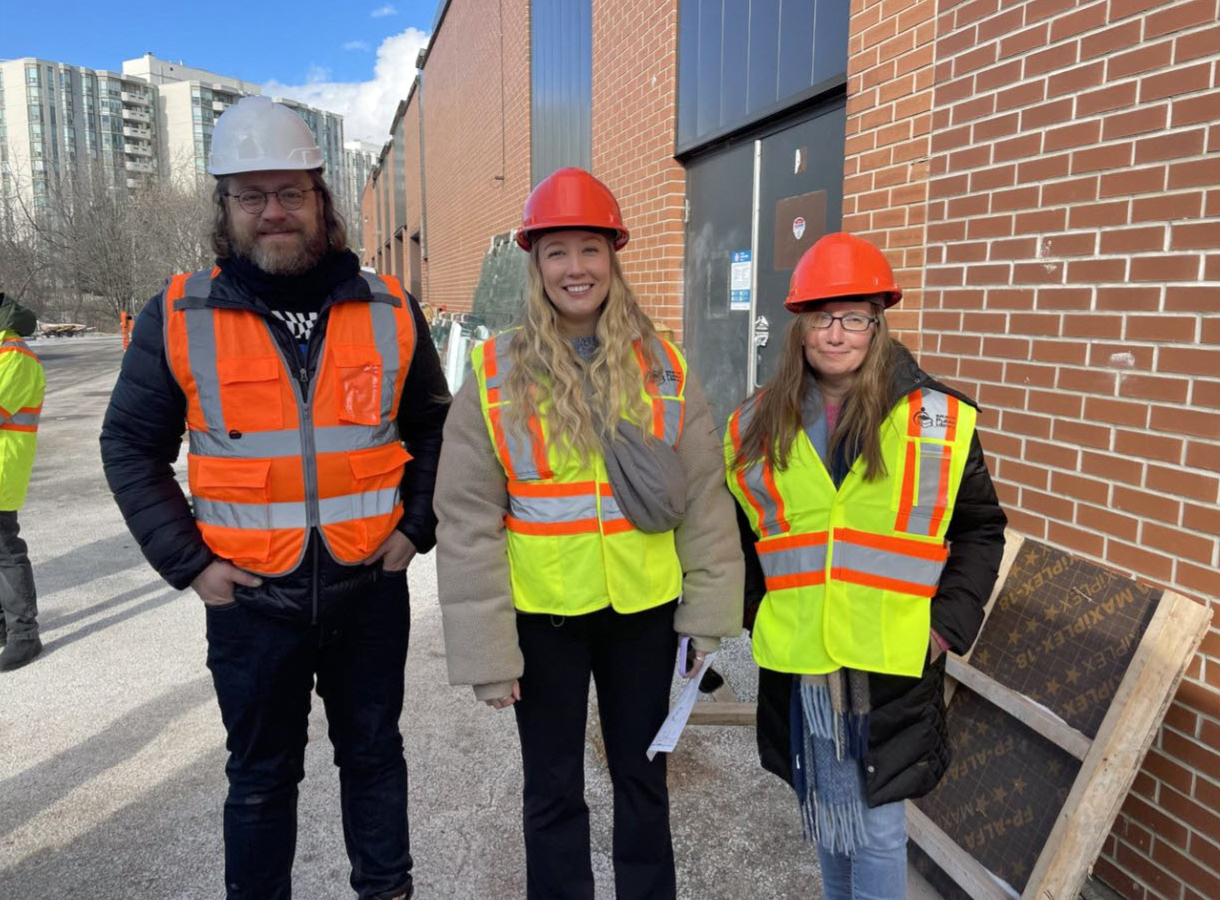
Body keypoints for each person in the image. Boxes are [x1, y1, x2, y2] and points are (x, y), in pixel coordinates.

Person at [99, 96, 449, 900]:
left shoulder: (390, 307)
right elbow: (129, 446)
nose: (274, 211)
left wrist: (416, 527)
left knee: (373, 759)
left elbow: (436, 427)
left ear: (321, 199)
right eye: (251, 195)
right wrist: (190, 563)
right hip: (253, 601)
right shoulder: (180, 314)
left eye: (291, 192)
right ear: (224, 209)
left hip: (368, 589)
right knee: (259, 781)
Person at [434, 167, 743, 900]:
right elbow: (468, 519)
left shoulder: (664, 364)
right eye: (557, 252)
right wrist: (487, 650)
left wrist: (706, 614)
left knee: (644, 782)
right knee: (551, 793)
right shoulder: (493, 370)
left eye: (591, 250)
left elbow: (705, 494)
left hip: (643, 615)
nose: (576, 268)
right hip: (544, 622)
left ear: (614, 257)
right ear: (535, 264)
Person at [724, 233, 1007, 900]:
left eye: (854, 316)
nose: (837, 332)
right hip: (803, 660)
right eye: (822, 316)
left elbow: (980, 529)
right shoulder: (757, 423)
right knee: (830, 819)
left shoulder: (935, 418)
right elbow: (735, 533)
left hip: (892, 659)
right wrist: (752, 609)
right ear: (800, 326)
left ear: (878, 323)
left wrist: (947, 625)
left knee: (877, 832)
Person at [0, 292, 45, 672]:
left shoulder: (13, 353)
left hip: (2, 464)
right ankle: (4, 625)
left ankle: (24, 634)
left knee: (5, 549)